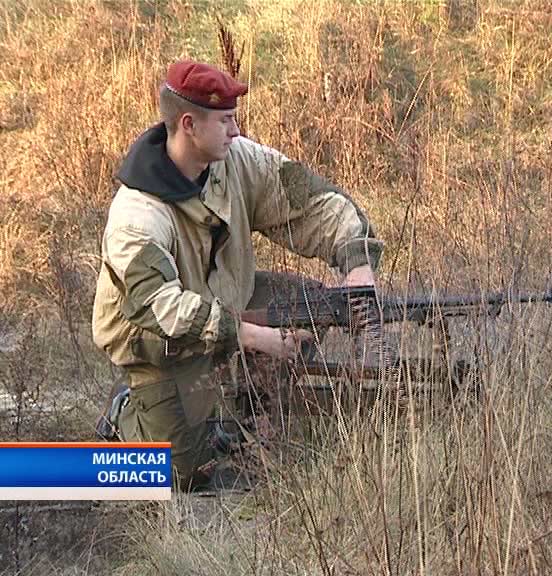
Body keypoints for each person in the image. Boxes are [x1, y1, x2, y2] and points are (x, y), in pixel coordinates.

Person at [92, 60, 383, 491]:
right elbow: (160, 308)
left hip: (230, 302)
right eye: (225, 120)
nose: (235, 129)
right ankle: (127, 414)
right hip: (158, 344)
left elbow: (314, 201)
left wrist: (356, 260)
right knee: (179, 475)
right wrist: (254, 337)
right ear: (189, 124)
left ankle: (246, 408)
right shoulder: (136, 217)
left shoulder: (236, 160)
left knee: (314, 307)